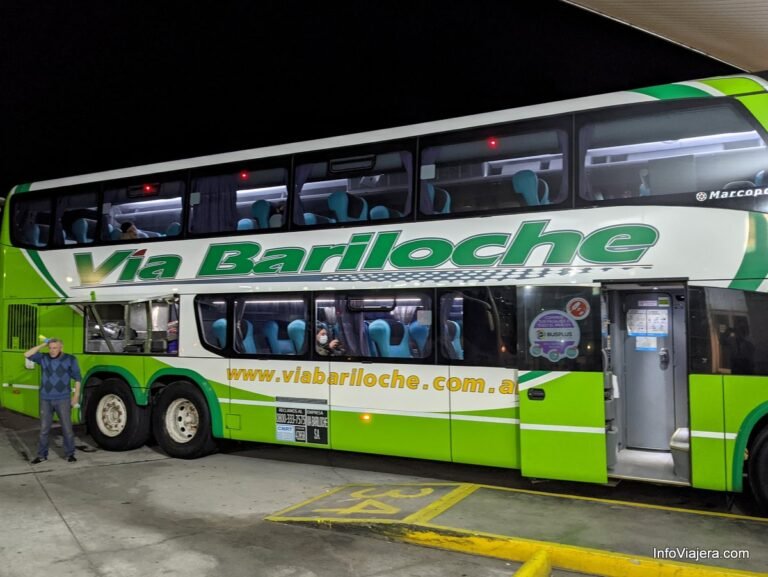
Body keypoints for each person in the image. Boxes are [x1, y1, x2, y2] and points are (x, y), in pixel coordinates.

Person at [24, 338, 82, 464]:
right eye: (50, 348)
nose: (52, 350)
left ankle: (70, 454)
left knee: (67, 428)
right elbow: (27, 354)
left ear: (61, 347)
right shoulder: (43, 358)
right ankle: (42, 455)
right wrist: (43, 344)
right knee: (44, 429)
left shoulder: (70, 359)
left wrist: (76, 396)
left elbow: (78, 378)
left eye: (55, 348)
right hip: (46, 398)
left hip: (63, 398)